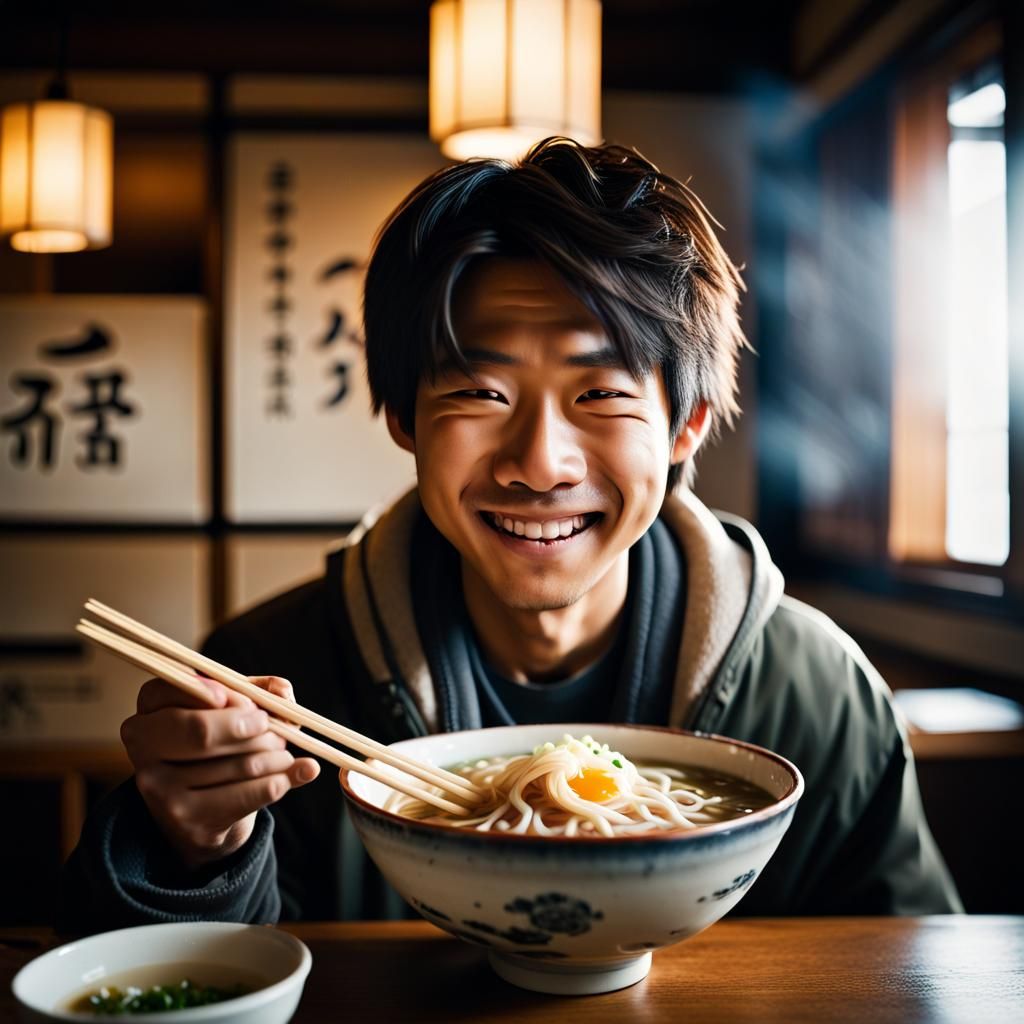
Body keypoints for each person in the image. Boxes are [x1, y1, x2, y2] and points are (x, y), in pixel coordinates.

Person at [59, 137, 961, 932]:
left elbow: (914, 967)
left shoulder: (816, 694)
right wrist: (189, 849)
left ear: (685, 428)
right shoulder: (272, 680)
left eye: (600, 394)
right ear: (404, 416)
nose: (539, 463)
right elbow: (182, 982)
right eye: (479, 394)